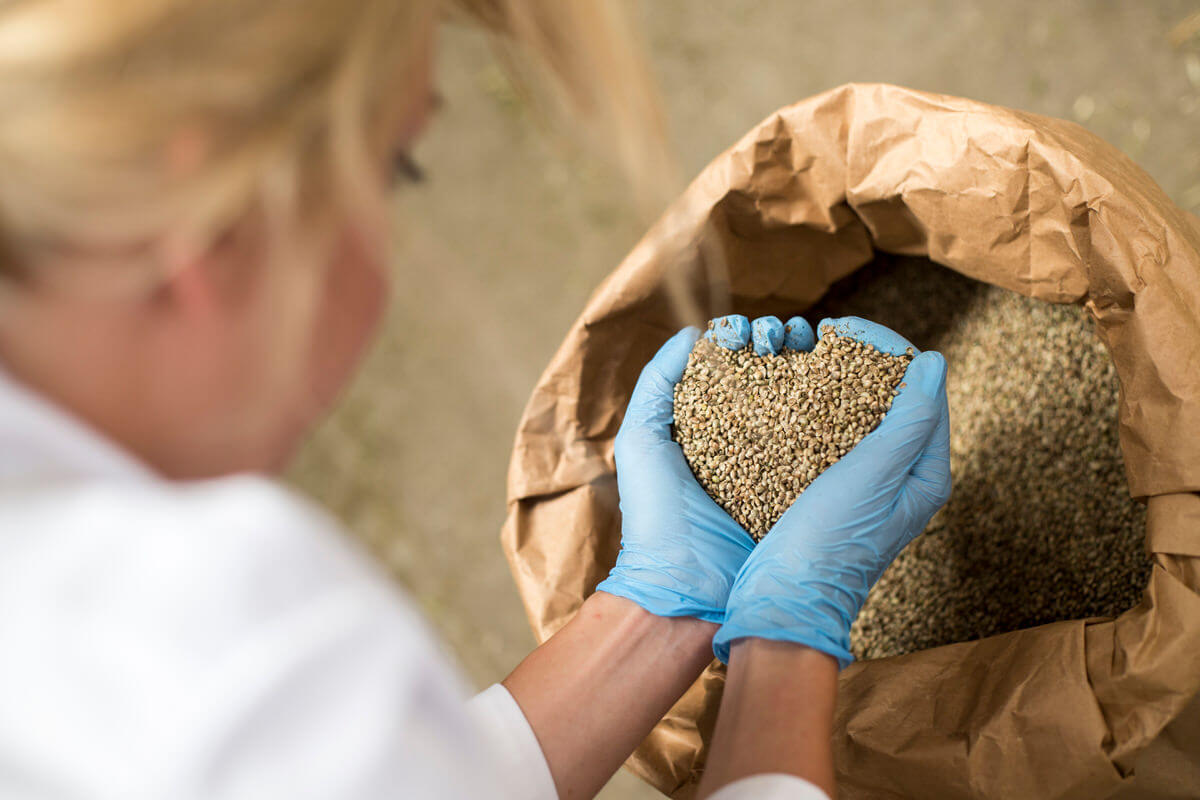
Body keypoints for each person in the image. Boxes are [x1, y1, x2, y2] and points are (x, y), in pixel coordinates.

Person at [0, 1, 951, 798]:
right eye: (389, 167)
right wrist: (789, 631)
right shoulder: (219, 650)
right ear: (211, 222)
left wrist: (665, 602)